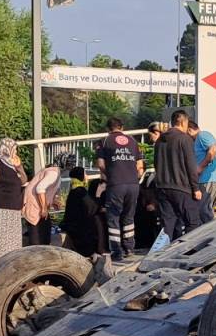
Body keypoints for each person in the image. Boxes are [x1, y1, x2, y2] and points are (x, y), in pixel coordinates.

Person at [97, 118, 144, 259]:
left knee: (113, 217)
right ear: (122, 127)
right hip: (133, 184)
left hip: (116, 184)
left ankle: (117, 252)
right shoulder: (133, 141)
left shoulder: (104, 142)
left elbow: (100, 164)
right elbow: (140, 167)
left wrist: (110, 174)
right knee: (129, 217)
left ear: (108, 129)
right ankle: (129, 248)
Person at [153, 109, 203, 240]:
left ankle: (163, 253)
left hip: (162, 186)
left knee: (167, 224)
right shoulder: (184, 139)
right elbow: (191, 165)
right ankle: (189, 252)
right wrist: (196, 188)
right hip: (181, 186)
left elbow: (156, 163)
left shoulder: (159, 141)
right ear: (183, 122)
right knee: (192, 221)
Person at [0, 138, 29, 263]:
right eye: (14, 149)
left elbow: (24, 181)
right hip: (0, 206)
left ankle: (11, 262)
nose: (16, 151)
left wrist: (19, 166)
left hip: (13, 207)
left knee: (13, 239)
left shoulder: (13, 164)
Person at [24, 154, 72, 247]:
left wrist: (53, 201)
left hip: (38, 206)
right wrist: (44, 209)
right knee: (37, 240)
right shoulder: (53, 173)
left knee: (45, 234)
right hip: (35, 207)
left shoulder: (55, 172)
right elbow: (40, 188)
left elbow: (47, 189)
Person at [59, 166, 105, 257]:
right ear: (81, 176)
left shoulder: (73, 190)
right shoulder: (81, 191)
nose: (87, 176)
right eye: (85, 174)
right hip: (80, 230)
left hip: (71, 226)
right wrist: (98, 195)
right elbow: (92, 209)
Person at [189, 121, 216, 223]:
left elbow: (213, 149)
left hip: (210, 177)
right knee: (204, 209)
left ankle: (208, 234)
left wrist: (200, 167)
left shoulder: (202, 135)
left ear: (189, 130)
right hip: (208, 178)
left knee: (204, 210)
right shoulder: (197, 140)